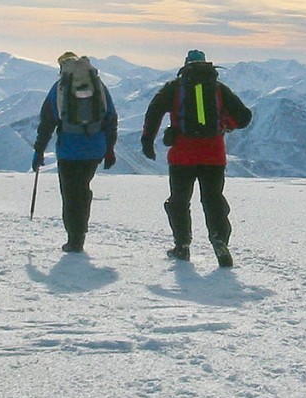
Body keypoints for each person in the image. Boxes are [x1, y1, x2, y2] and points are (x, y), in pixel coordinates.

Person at [141, 49, 252, 266]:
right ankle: (220, 240)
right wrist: (226, 126)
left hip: (182, 155)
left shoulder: (174, 88)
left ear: (185, 65)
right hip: (214, 155)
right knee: (213, 199)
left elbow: (153, 112)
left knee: (179, 201)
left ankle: (182, 246)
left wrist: (148, 140)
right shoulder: (218, 88)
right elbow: (245, 116)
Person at [33, 52, 118, 253]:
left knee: (71, 194)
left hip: (69, 151)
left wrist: (39, 151)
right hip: (95, 149)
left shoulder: (60, 88)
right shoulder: (98, 86)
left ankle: (75, 239)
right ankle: (81, 228)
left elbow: (47, 122)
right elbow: (111, 118)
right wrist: (109, 149)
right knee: (82, 188)